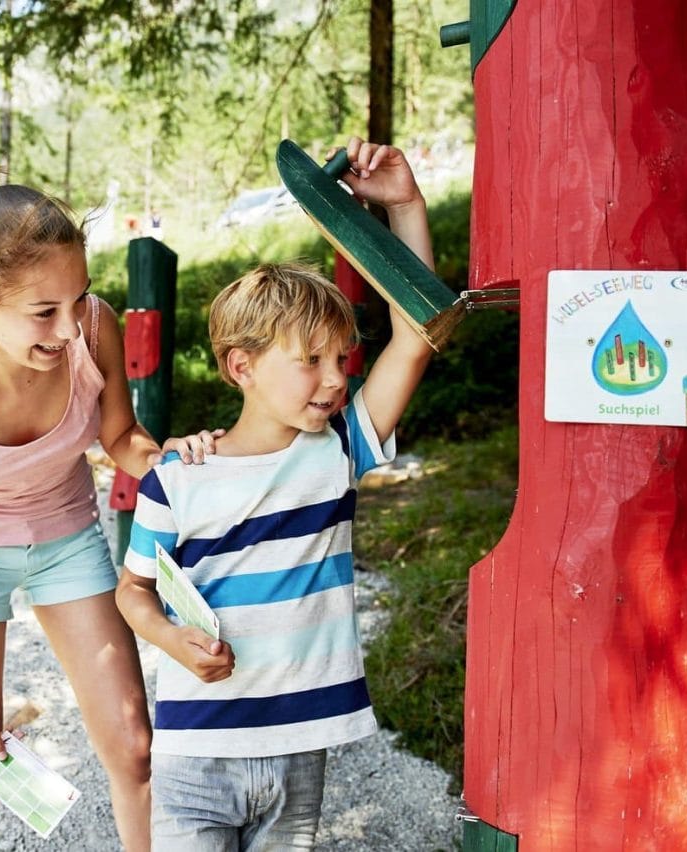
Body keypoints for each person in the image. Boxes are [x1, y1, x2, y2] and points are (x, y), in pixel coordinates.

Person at [115, 137, 436, 851]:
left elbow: (416, 337)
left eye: (342, 360)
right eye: (311, 361)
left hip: (299, 753)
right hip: (193, 755)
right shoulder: (178, 478)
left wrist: (405, 207)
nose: (335, 379)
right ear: (242, 367)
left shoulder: (336, 452)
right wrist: (172, 638)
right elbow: (132, 593)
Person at [0, 173, 219, 852]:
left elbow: (122, 440)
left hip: (66, 537)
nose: (70, 327)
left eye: (78, 298)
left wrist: (173, 460)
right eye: (43, 312)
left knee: (134, 748)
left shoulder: (93, 326)